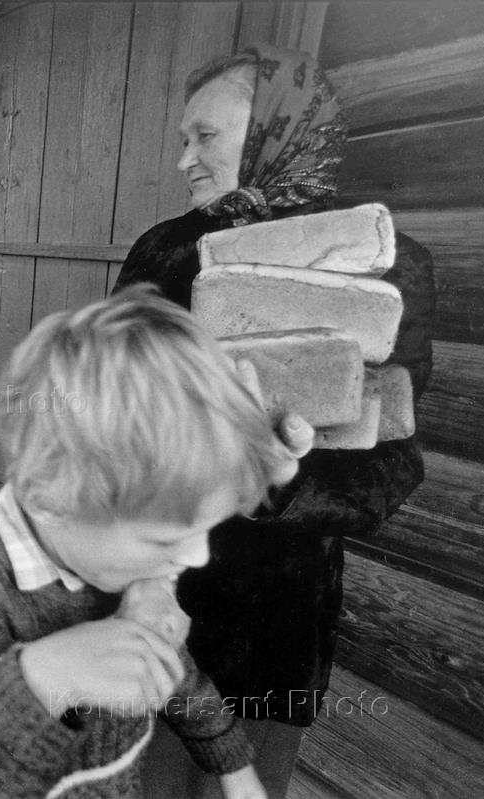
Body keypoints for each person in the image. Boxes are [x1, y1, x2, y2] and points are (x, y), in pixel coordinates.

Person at [113, 44, 435, 797]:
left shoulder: (379, 264)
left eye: (206, 136)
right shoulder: (163, 250)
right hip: (148, 583)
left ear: (277, 133)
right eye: (184, 139)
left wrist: (279, 479)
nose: (185, 159)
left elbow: (391, 465)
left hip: (268, 616)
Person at [0, 286, 314, 799]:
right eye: (166, 538)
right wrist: (43, 683)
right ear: (50, 500)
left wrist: (234, 766)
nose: (197, 557)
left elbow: (166, 665)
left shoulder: (133, 570)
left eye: (206, 530)